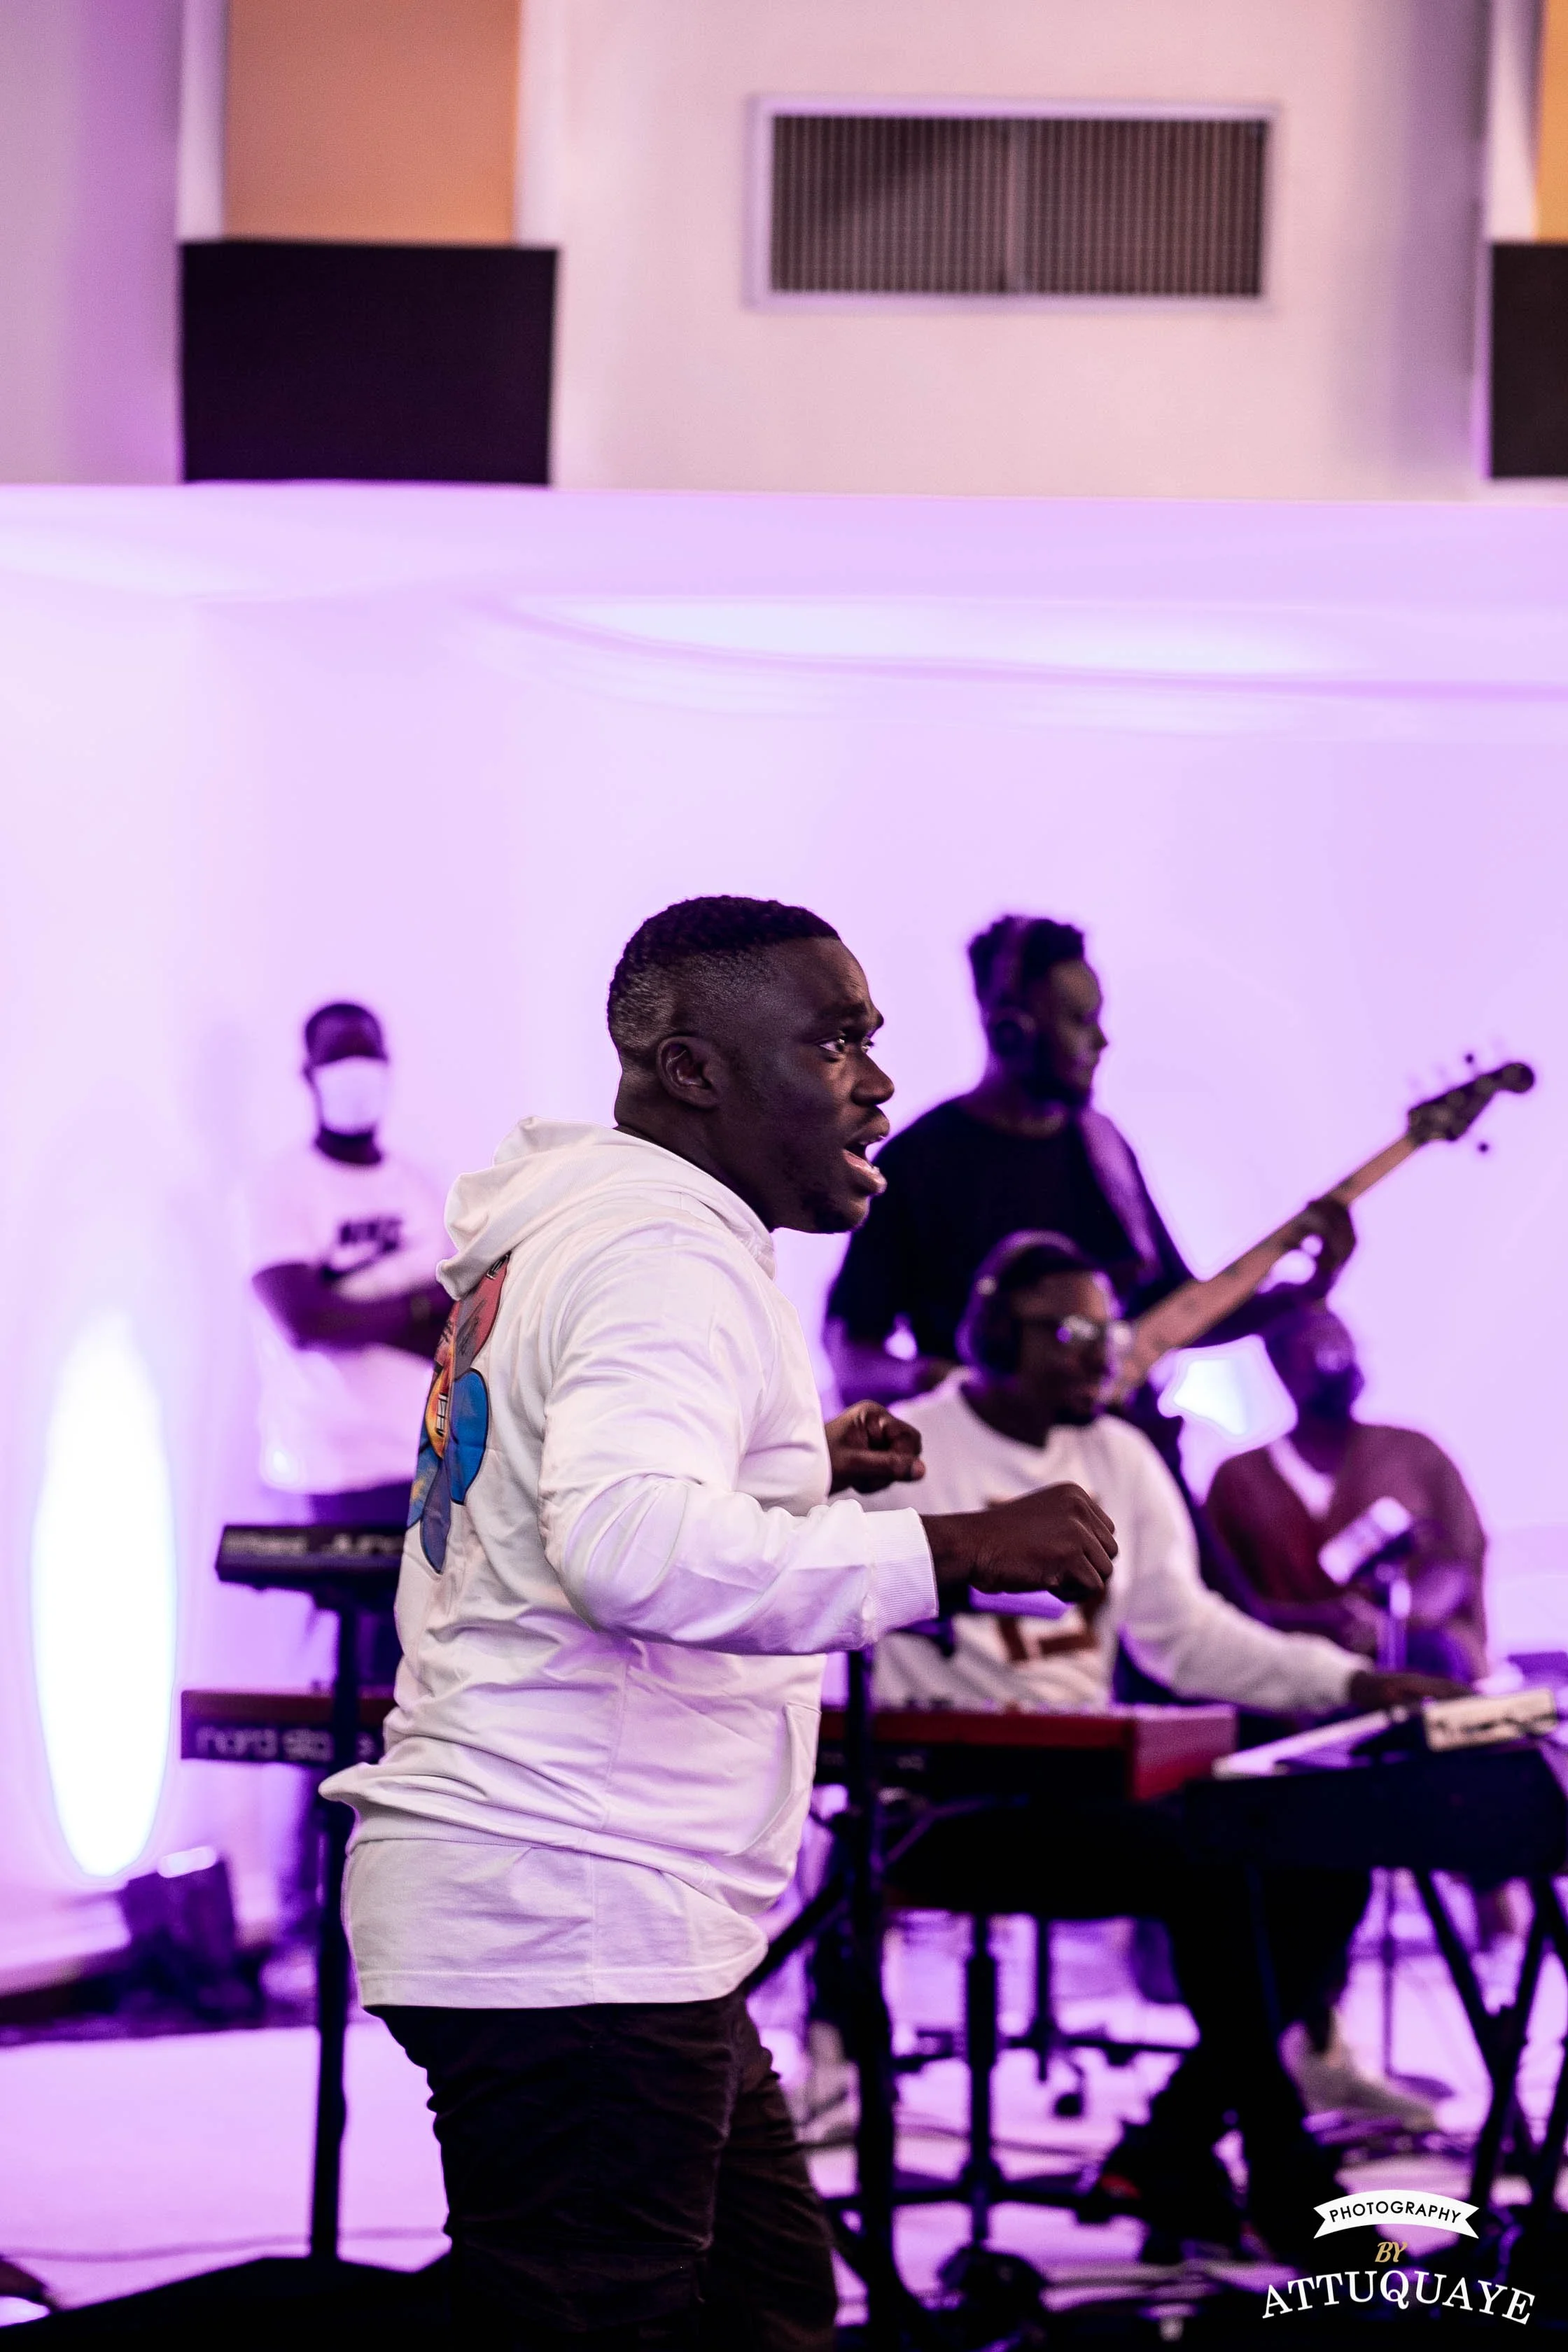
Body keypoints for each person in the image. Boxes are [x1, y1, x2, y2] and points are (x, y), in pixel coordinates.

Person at [321, 898, 1119, 2351]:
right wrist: (955, 1546)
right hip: (571, 1902)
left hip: (600, 1906)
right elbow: (628, 1549)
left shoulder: (582, 1234)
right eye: (833, 1043)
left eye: (871, 1043)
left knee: (762, 2302)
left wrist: (796, 1459)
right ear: (691, 1070)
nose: (875, 1082)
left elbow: (572, 1486)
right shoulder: (662, 1256)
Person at [847, 1232, 1460, 2261]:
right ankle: (1282, 2180)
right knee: (1203, 1860)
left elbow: (1185, 1634)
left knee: (1327, 1860)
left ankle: (1172, 2144)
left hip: (1095, 1785)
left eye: (1113, 1331)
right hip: (945, 1806)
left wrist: (1349, 1681)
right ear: (994, 1335)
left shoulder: (1121, 1454)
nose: (1104, 1355)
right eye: (1072, 1332)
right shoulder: (907, 1448)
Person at [824, 913, 1357, 1423]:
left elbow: (1176, 1319)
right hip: (988, 1472)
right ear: (1012, 1031)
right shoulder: (921, 1160)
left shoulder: (1103, 1148)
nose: (1102, 1042)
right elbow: (851, 1349)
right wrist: (942, 1381)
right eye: (1081, 1021)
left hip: (1125, 1451)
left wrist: (1305, 1290)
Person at [248, 1000, 451, 1542]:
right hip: (325, 1466)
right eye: (339, 1055)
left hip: (422, 1458)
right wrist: (418, 1300)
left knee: (414, 1625)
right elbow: (305, 1321)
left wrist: (356, 1311)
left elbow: (454, 1325)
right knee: (344, 1624)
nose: (357, 1069)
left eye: (369, 1054)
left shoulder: (420, 1189)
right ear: (309, 1073)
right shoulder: (279, 1187)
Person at [1207, 1301, 1488, 1683]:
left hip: (1414, 1654)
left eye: (1344, 1346)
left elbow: (1457, 1561)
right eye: (1317, 1350)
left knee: (1430, 1660)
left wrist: (1392, 1623)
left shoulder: (1414, 1453)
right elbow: (1223, 1598)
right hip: (1291, 1666)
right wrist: (1320, 1624)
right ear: (1281, 1368)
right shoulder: (1238, 1478)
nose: (1338, 1361)